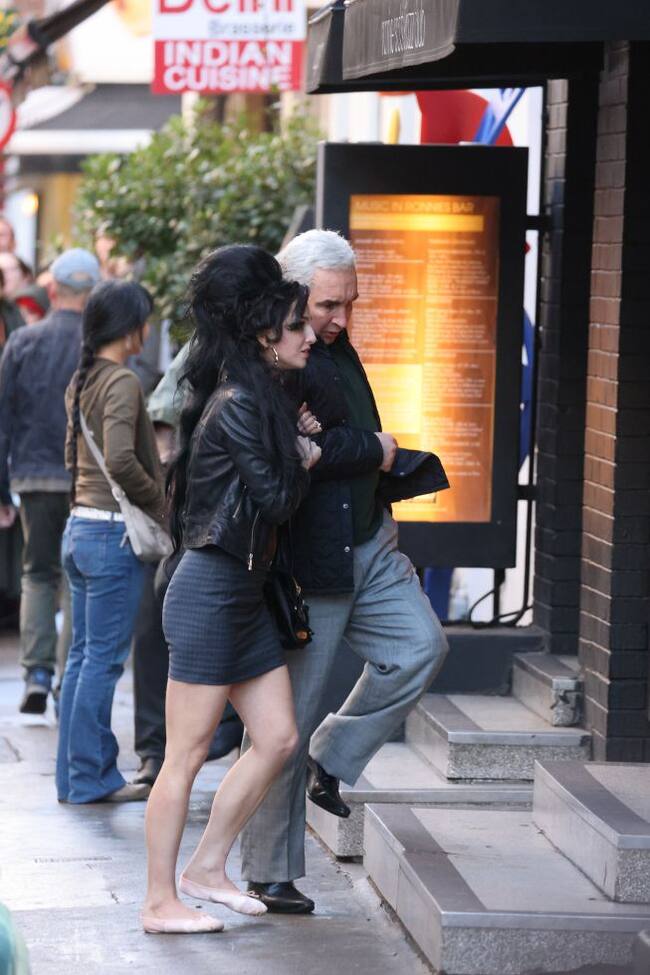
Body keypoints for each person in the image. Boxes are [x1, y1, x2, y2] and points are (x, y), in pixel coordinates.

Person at [240, 230, 449, 914]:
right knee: (285, 717)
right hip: (311, 558)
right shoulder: (275, 353)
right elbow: (291, 451)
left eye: (349, 302)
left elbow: (326, 443)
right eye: (328, 304)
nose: (340, 317)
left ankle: (330, 755)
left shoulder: (331, 344)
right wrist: (374, 449)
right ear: (292, 296)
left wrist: (355, 452)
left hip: (369, 541)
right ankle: (268, 870)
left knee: (420, 646)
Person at [142, 244, 319, 935]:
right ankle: (159, 901)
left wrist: (295, 438)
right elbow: (277, 500)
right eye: (297, 325)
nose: (310, 335)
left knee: (277, 736)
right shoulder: (241, 402)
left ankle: (208, 867)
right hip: (212, 591)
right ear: (264, 334)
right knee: (184, 756)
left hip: (241, 594)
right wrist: (305, 456)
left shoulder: (261, 398)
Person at [56, 279, 164, 805]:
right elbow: (120, 459)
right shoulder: (122, 381)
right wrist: (159, 502)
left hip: (80, 528)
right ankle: (90, 778)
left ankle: (76, 777)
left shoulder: (83, 380)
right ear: (128, 328)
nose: (147, 329)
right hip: (110, 535)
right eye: (144, 320)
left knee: (83, 657)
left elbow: (76, 458)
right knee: (100, 660)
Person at [132, 342, 243, 791]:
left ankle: (208, 735)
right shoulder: (210, 342)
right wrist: (171, 486)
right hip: (193, 514)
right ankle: (156, 748)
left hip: (232, 523)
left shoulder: (283, 347)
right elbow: (162, 418)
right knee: (156, 624)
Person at [0, 248, 101, 714]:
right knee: (76, 578)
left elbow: (3, 418)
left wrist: (3, 486)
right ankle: (66, 679)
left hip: (34, 475)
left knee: (37, 573)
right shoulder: (99, 346)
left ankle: (36, 673)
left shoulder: (24, 341)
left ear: (53, 289)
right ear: (93, 293)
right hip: (86, 480)